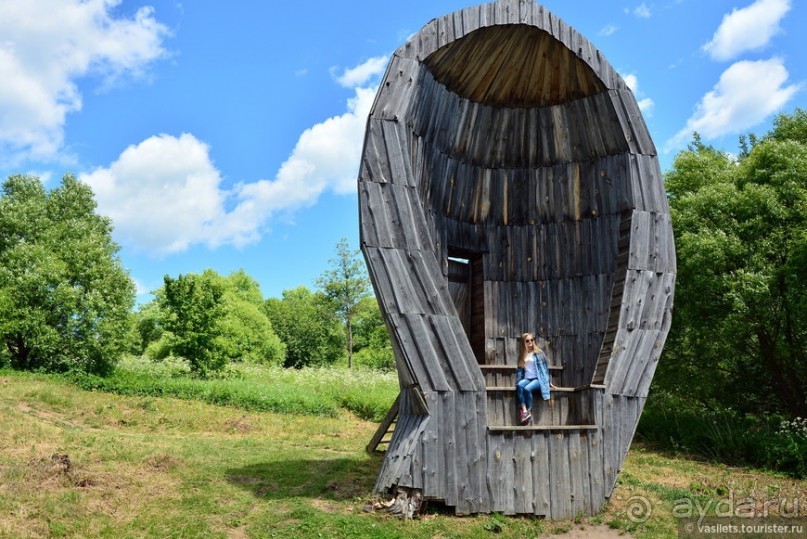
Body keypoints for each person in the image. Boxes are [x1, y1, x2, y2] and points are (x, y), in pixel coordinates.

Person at [515, 332, 555, 425]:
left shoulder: (539, 353)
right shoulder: (523, 355)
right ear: (523, 342)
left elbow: (545, 369)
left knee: (527, 389)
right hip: (527, 378)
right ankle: (525, 412)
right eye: (527, 341)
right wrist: (519, 380)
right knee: (519, 385)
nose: (530, 342)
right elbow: (520, 370)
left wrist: (549, 381)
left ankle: (529, 411)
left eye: (531, 340)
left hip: (538, 379)